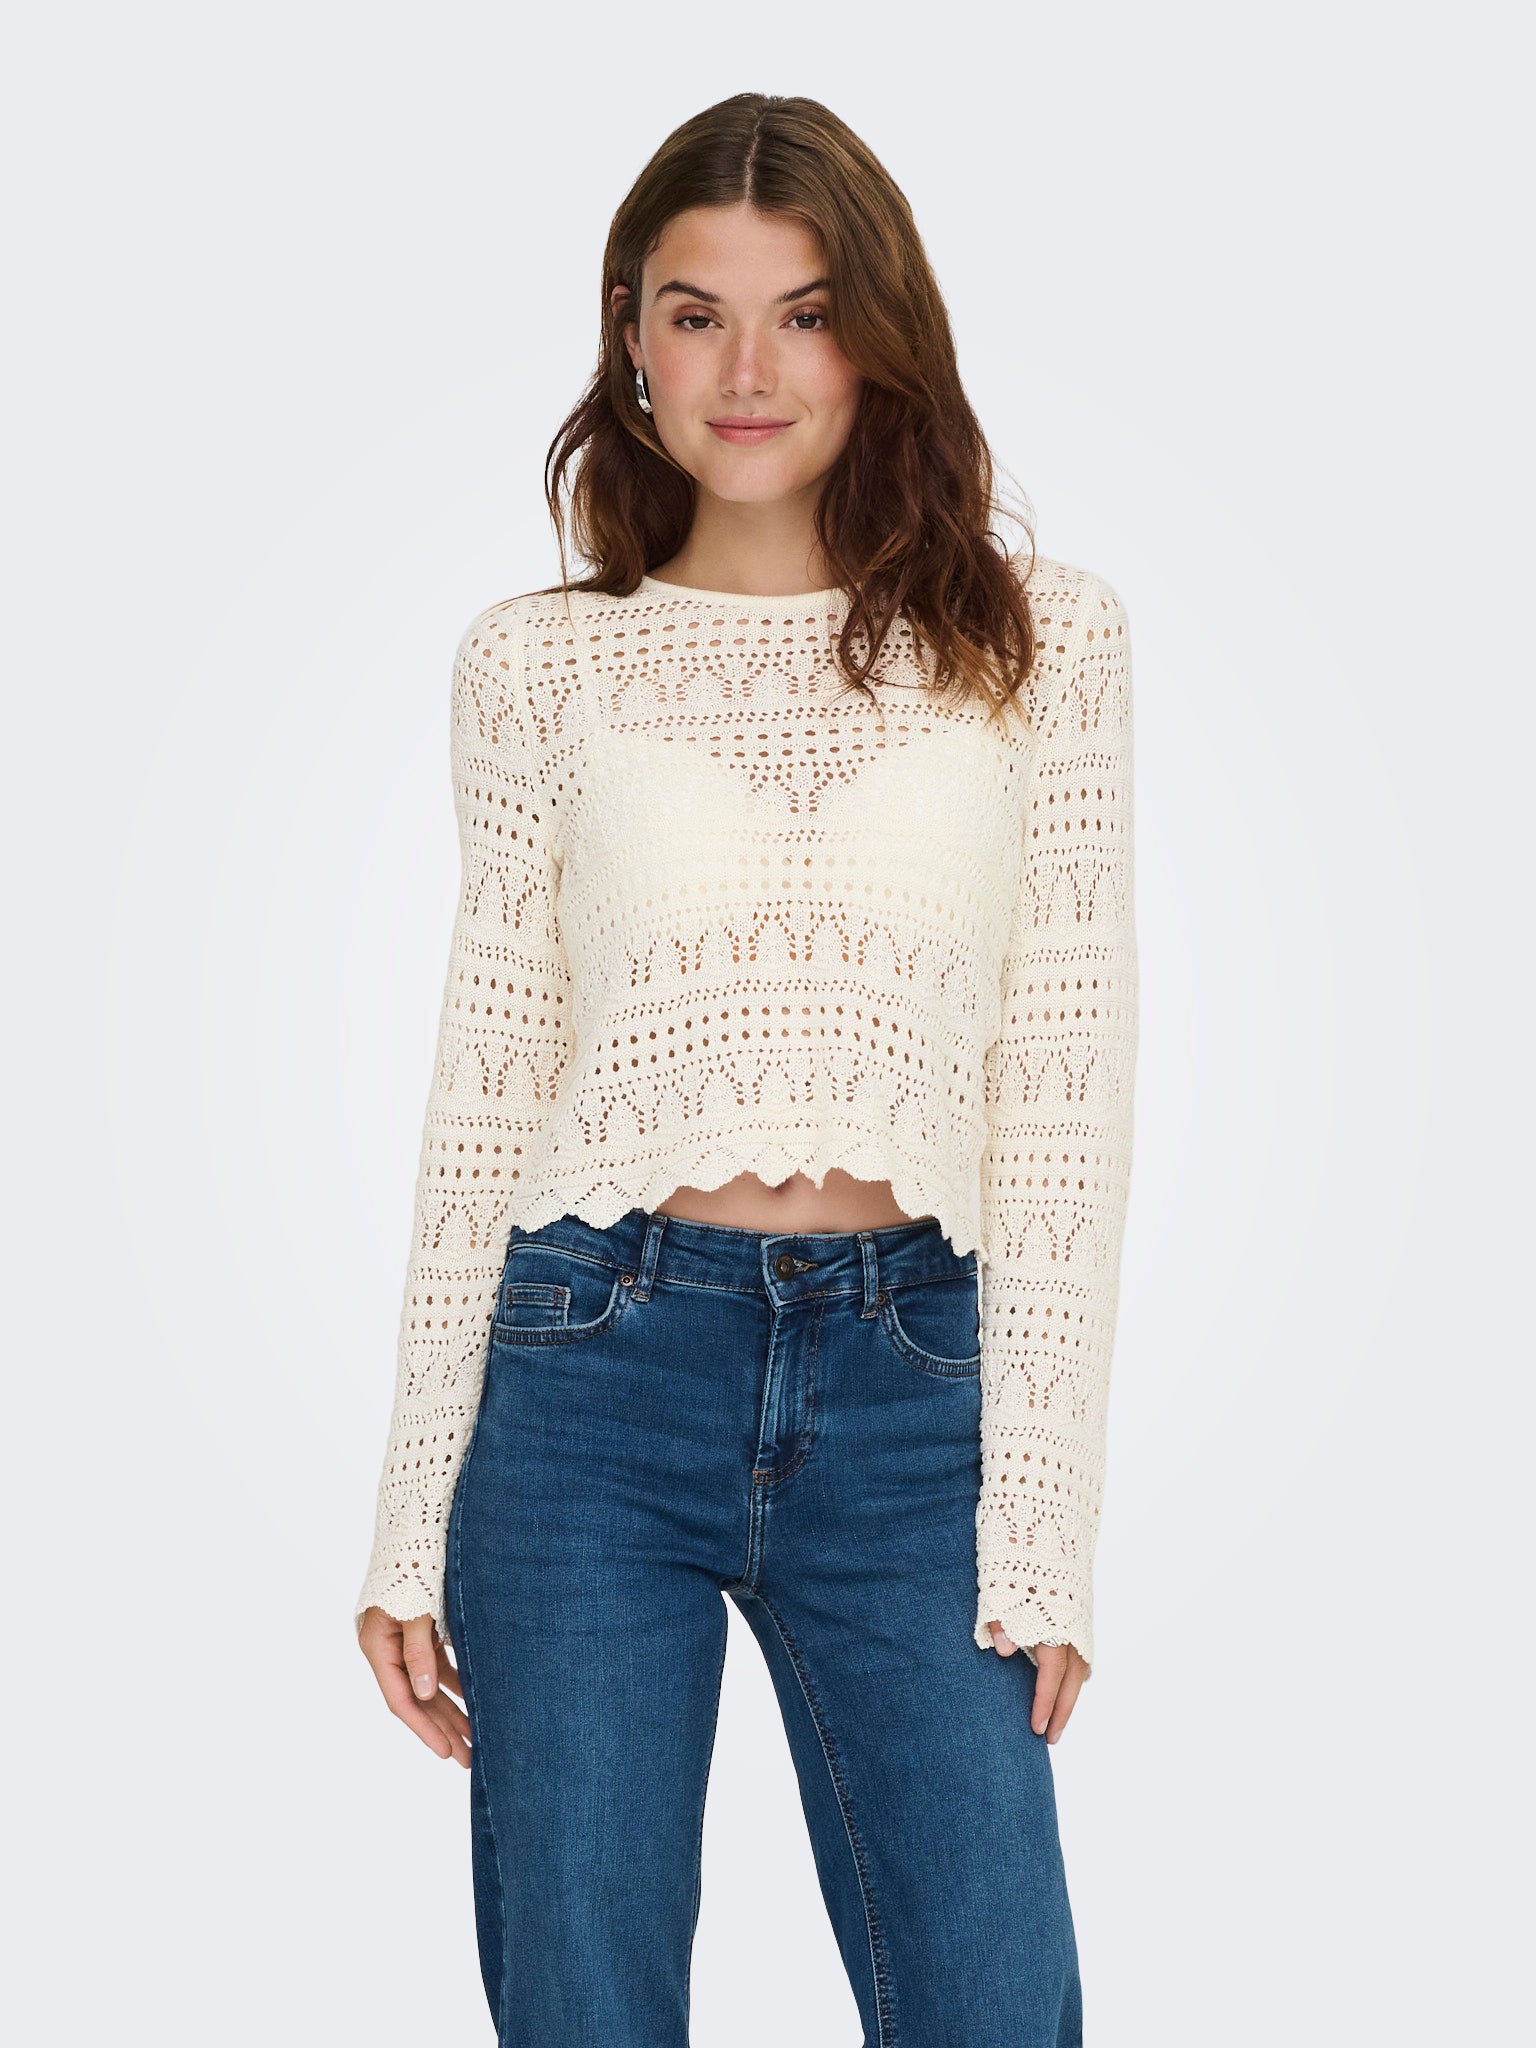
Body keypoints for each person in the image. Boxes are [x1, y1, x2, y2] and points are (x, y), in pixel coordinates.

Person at [354, 91, 1138, 2048]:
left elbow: (1065, 1079)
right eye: (697, 315)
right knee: (586, 2006)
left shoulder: (1042, 646)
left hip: (912, 1391)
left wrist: (1044, 1516)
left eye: (805, 313)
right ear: (631, 337)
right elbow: (488, 1075)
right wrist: (406, 1507)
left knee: (995, 2003)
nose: (750, 371)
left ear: (882, 338)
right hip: (587, 1372)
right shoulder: (539, 665)